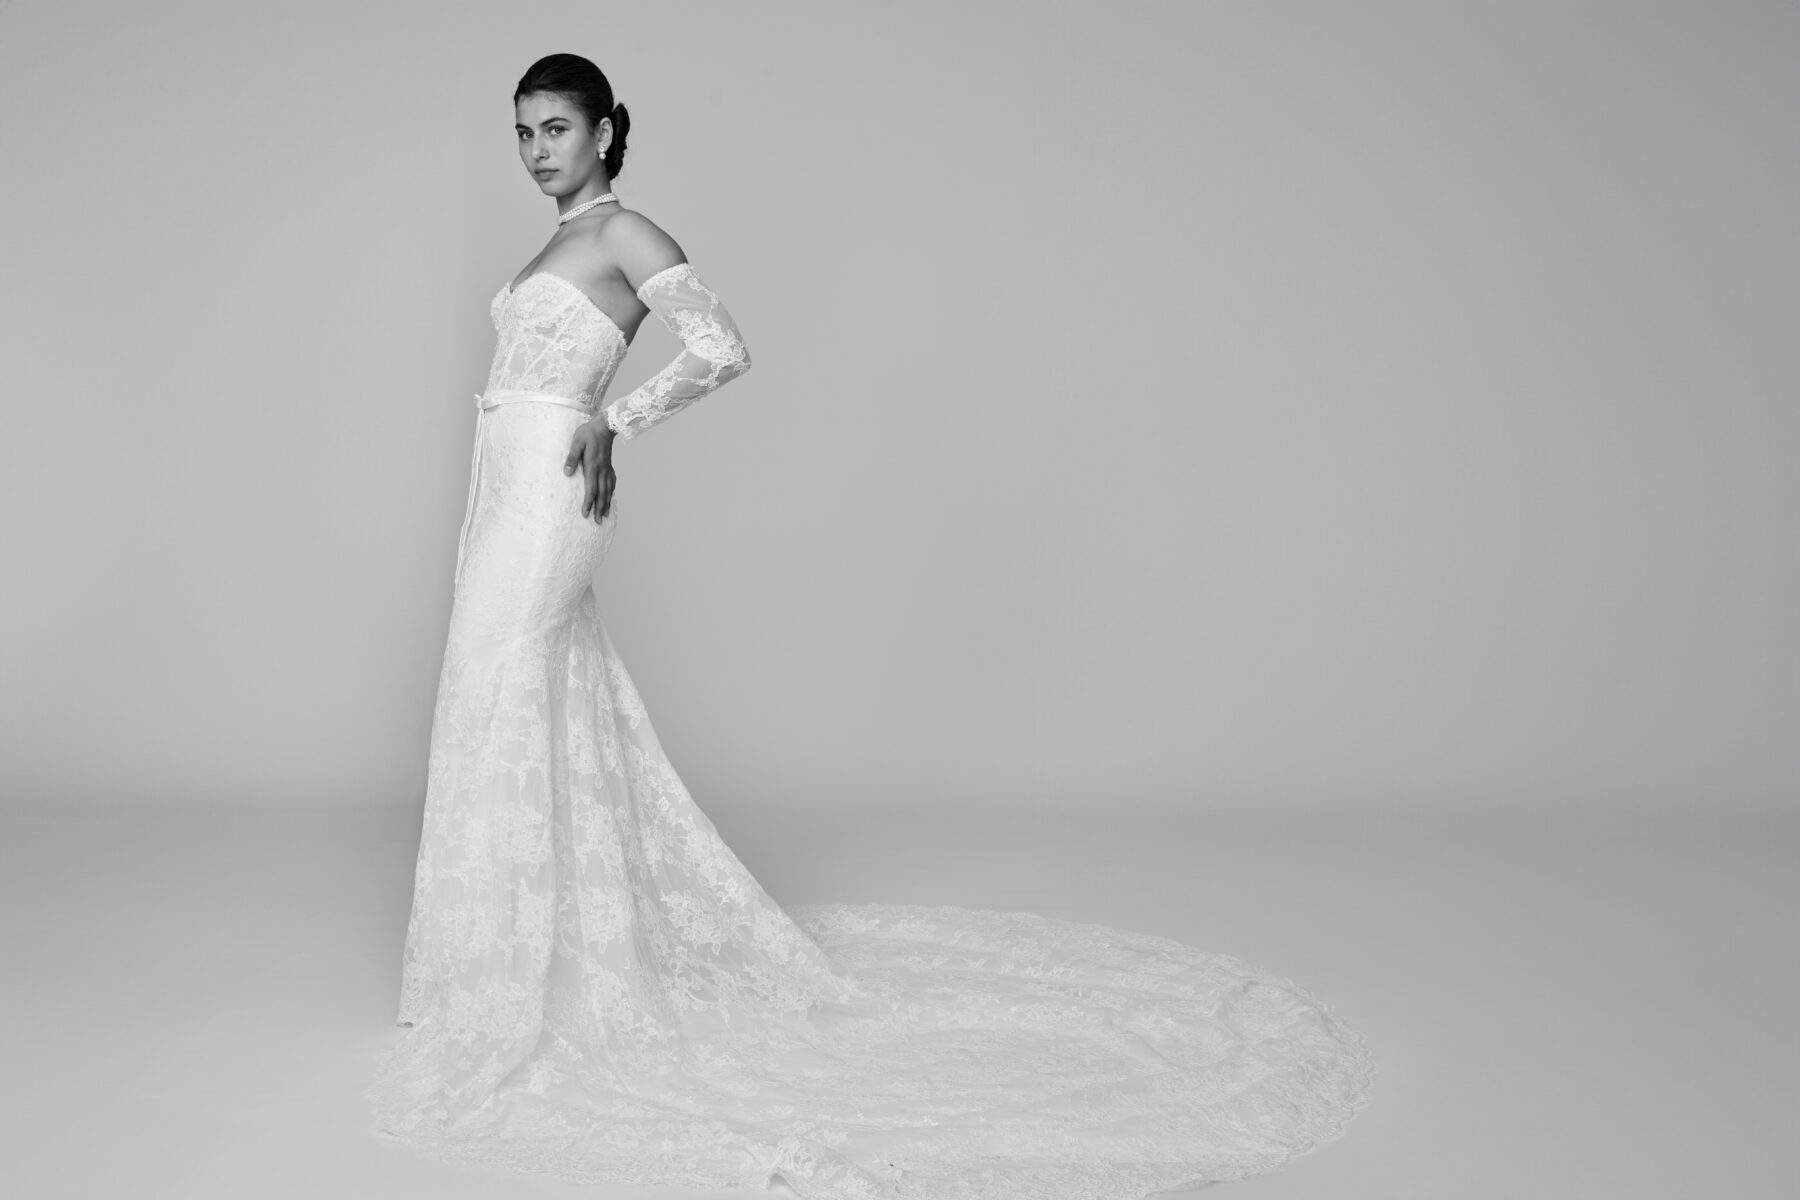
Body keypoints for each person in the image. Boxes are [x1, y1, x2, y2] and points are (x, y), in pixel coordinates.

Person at [366, 52, 1374, 1200]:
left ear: (604, 132)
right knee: (504, 698)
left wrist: (616, 420)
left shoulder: (623, 232)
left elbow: (722, 345)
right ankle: (491, 971)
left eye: (555, 128)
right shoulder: (555, 244)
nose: (537, 150)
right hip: (499, 485)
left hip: (553, 488)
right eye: (523, 132)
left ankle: (507, 990)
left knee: (500, 689)